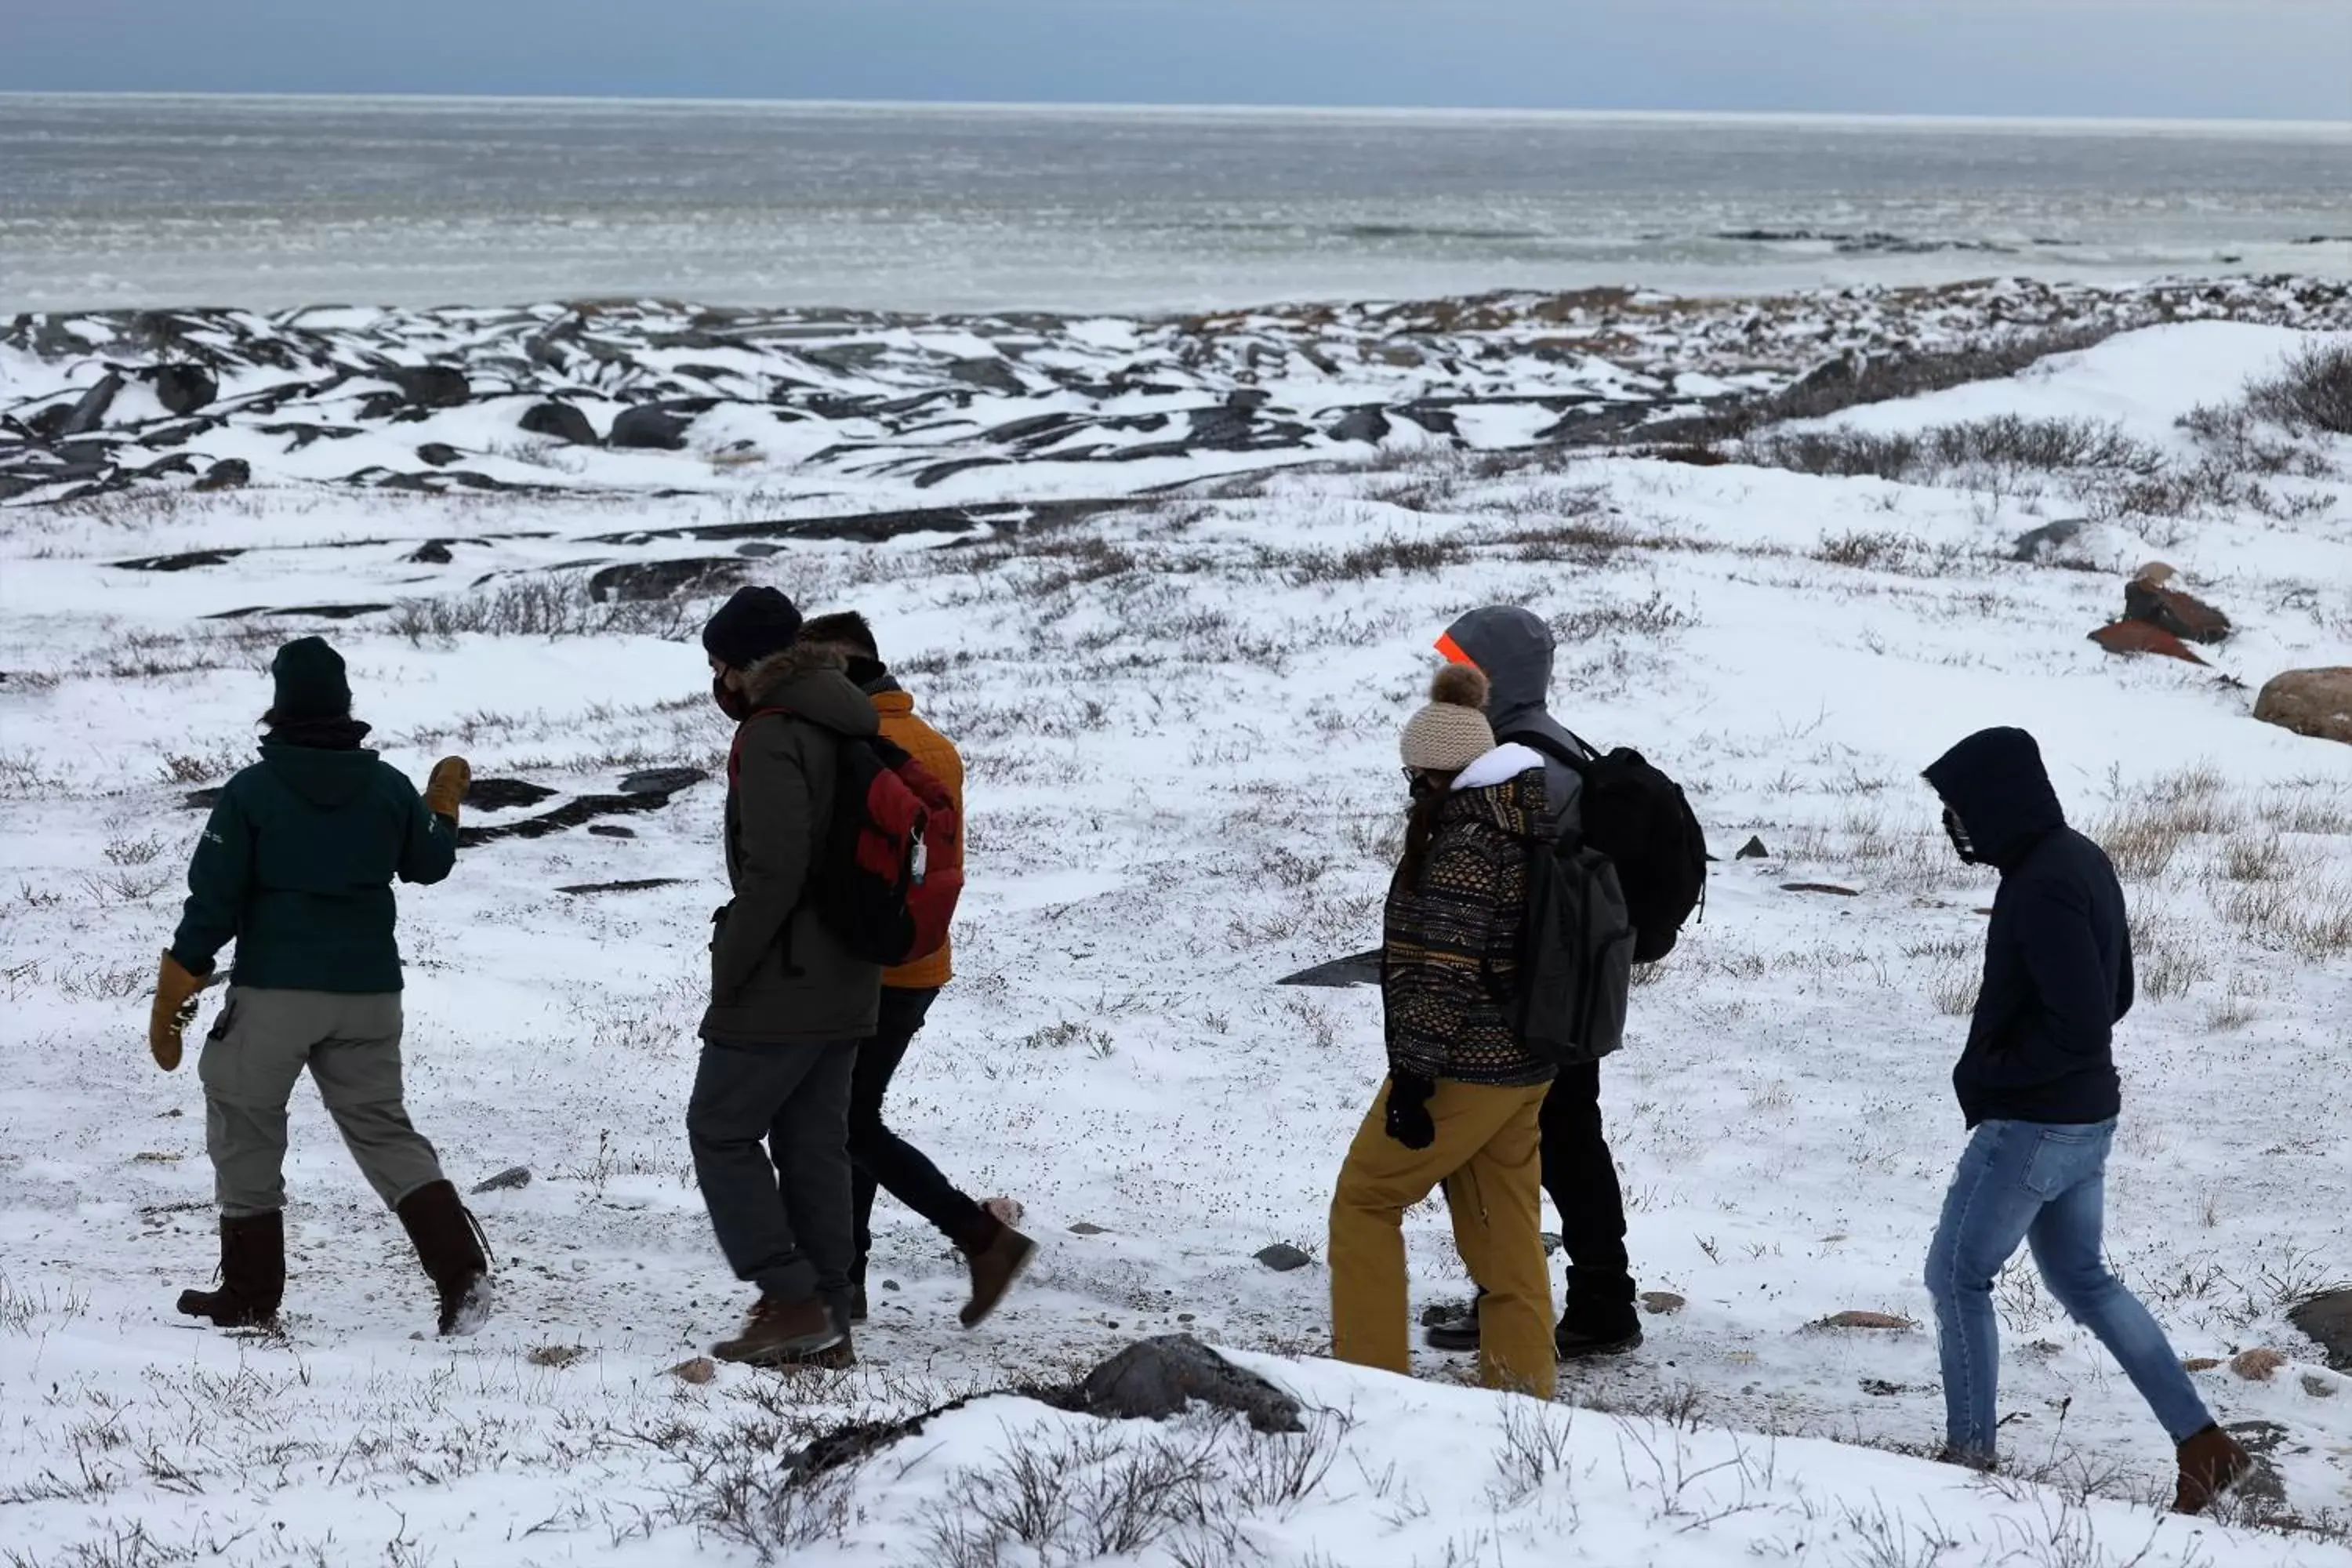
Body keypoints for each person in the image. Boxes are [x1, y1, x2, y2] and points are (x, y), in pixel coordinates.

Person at [1922, 726, 2250, 1514]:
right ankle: (2204, 1444)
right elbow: (2118, 993)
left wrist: (1994, 1075)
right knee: (2085, 1279)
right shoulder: (2080, 858)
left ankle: (1967, 1457)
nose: (1955, 826)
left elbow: (2083, 1021)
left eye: (1961, 807)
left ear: (1999, 802)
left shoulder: (2042, 882)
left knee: (1956, 1275)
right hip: (2084, 1119)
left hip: (2032, 1126)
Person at [152, 635, 489, 1335]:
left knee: (244, 1124)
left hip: (276, 993)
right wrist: (443, 805)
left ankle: (249, 1296)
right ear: (344, 705)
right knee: (382, 1128)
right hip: (369, 996)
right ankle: (462, 1274)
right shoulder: (387, 785)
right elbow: (429, 864)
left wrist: (181, 978)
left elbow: (212, 898)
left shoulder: (251, 792)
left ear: (279, 705)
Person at [800, 611, 1036, 1328]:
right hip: (921, 963)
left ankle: (978, 1238)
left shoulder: (854, 745)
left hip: (861, 964)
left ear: (838, 670)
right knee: (852, 1115)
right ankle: (848, 1284)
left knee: (844, 1121)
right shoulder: (935, 745)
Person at [1330, 663, 1558, 1399]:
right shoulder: (1524, 816)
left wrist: (1415, 1080)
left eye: (1415, 773)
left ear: (1436, 772)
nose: (1410, 786)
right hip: (1525, 1068)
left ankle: (1371, 1387)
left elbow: (1447, 968)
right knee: (1507, 1241)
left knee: (1365, 1201)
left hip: (1466, 1065)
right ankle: (1526, 1403)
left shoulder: (1467, 841)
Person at [1424, 605, 1642, 1359]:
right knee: (1561, 1142)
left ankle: (1546, 1303)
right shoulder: (1555, 745)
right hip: (1566, 985)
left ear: (1496, 676)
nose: (1445, 681)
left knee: (1518, 1147)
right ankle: (1592, 1301)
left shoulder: (1524, 764)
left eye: (1463, 666)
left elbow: (1489, 885)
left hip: (1532, 995)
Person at [692, 586, 882, 1367]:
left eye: (718, 663)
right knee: (813, 1142)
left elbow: (774, 870)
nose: (716, 680)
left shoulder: (773, 734)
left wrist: (732, 963)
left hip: (787, 971)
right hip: (850, 968)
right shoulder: (843, 715)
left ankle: (789, 1292)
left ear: (744, 663)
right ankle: (828, 1318)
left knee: (721, 1126)